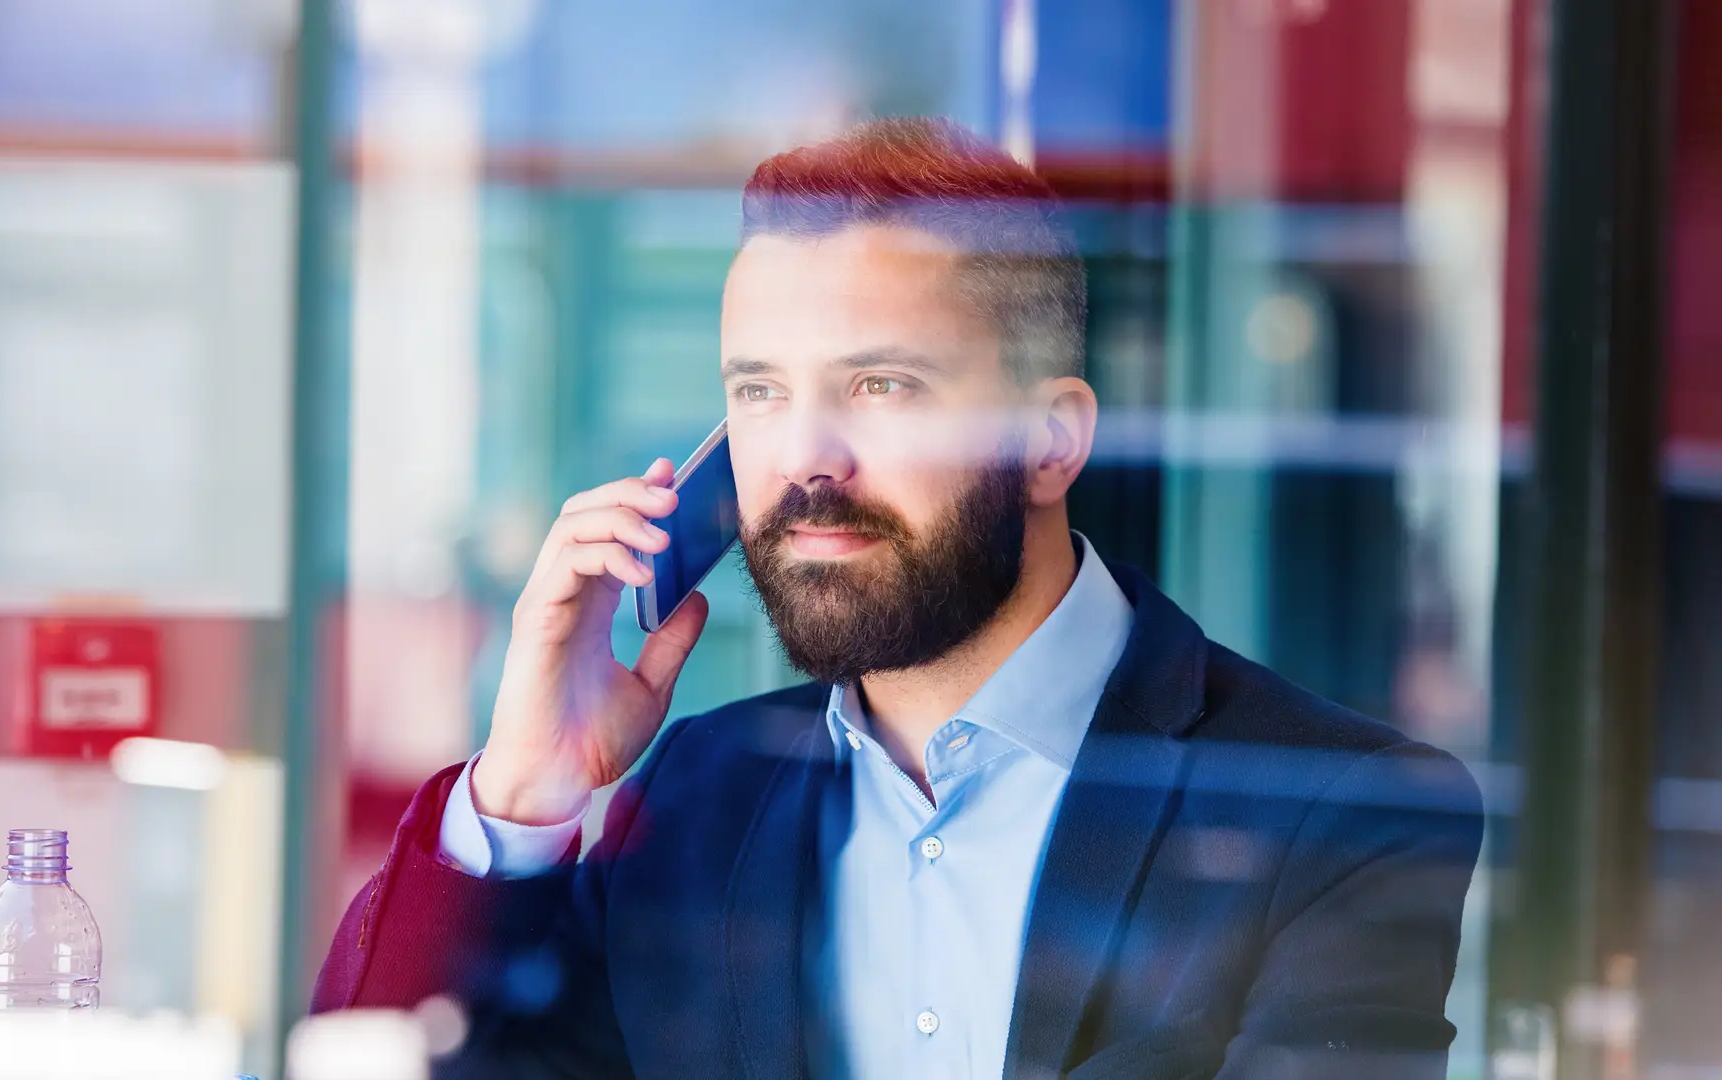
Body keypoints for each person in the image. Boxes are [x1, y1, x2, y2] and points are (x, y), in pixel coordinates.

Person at [313, 117, 1484, 1080]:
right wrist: (524, 793)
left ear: (1048, 437)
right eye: (761, 391)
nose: (808, 457)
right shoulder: (690, 803)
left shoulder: (1336, 813)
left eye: (881, 383)